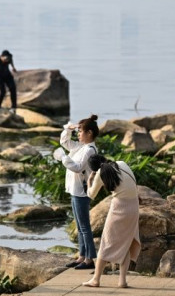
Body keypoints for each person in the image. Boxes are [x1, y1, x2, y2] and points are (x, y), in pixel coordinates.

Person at [81, 155, 140, 289]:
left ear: (94, 169)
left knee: (106, 242)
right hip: (134, 207)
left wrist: (90, 180)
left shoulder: (100, 174)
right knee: (127, 242)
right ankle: (122, 281)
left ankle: (96, 279)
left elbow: (91, 195)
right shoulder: (121, 163)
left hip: (119, 208)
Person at [53, 115, 99, 270]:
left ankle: (89, 259)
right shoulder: (80, 147)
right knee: (80, 227)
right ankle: (81, 256)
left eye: (80, 132)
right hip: (74, 190)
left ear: (90, 133)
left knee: (85, 227)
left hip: (82, 192)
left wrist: (64, 158)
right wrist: (68, 128)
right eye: (78, 132)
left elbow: (78, 167)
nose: (78, 134)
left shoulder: (90, 150)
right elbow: (64, 142)